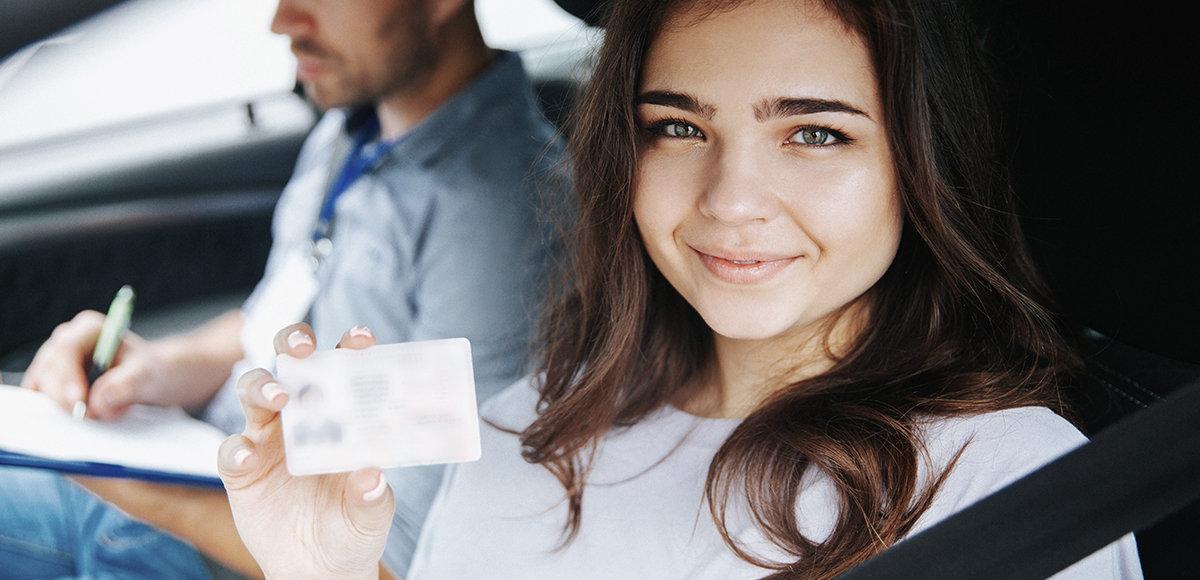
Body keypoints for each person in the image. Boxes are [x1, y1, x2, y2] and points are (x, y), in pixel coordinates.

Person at [217, 0, 1144, 578]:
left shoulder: (1011, 479)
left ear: (919, 160)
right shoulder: (524, 425)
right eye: (678, 128)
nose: (731, 202)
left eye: (815, 133)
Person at [0, 0, 563, 577]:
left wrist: (123, 480)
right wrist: (157, 368)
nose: (283, 22)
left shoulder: (503, 225)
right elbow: (270, 320)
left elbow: (404, 560)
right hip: (195, 474)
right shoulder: (354, 128)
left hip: (223, 549)